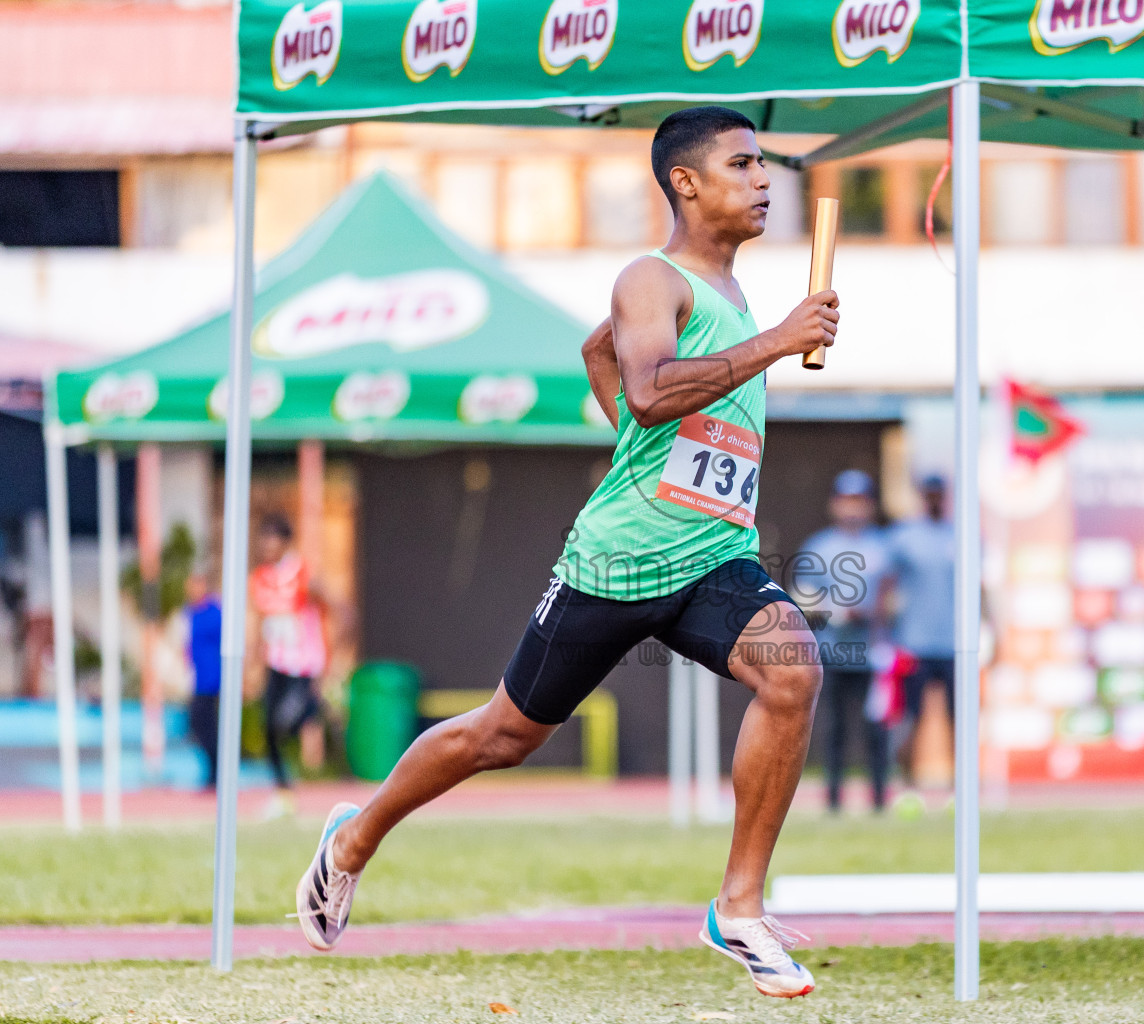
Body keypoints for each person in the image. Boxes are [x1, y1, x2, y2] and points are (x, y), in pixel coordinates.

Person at [293, 106, 839, 999]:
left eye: (765, 165)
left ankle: (739, 908)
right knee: (502, 736)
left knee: (793, 668)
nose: (764, 180)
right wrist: (778, 341)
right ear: (686, 183)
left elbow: (605, 358)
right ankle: (354, 838)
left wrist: (652, 410)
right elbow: (654, 393)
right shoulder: (650, 278)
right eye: (742, 165)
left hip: (712, 555)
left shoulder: (727, 293)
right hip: (617, 563)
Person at [793, 470, 891, 814]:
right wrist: (838, 610)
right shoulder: (819, 547)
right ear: (835, 504)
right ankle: (833, 800)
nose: (852, 508)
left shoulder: (884, 546)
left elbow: (898, 596)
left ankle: (880, 800)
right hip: (831, 652)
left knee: (876, 731)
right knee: (833, 730)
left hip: (873, 653)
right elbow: (802, 600)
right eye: (847, 501)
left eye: (859, 501)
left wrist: (877, 610)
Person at [249, 513, 330, 818]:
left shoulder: (302, 574)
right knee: (268, 725)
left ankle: (313, 712)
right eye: (263, 539)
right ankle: (282, 791)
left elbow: (331, 606)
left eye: (272, 539)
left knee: (287, 720)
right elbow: (262, 621)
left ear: (285, 542)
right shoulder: (260, 578)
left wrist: (333, 645)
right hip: (276, 662)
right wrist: (255, 661)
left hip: (303, 663)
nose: (266, 546)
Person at [886, 474, 956, 794]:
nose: (934, 499)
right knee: (911, 718)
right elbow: (886, 584)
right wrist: (884, 631)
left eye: (938, 493)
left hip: (956, 643)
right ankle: (907, 784)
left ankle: (961, 786)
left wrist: (991, 626)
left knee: (960, 719)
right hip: (914, 642)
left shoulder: (961, 533)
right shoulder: (904, 536)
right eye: (929, 493)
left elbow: (979, 586)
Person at [185, 572, 222, 789]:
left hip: (212, 677)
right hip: (197, 677)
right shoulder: (190, 613)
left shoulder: (214, 612)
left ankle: (216, 772)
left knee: (207, 724)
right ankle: (212, 770)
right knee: (199, 724)